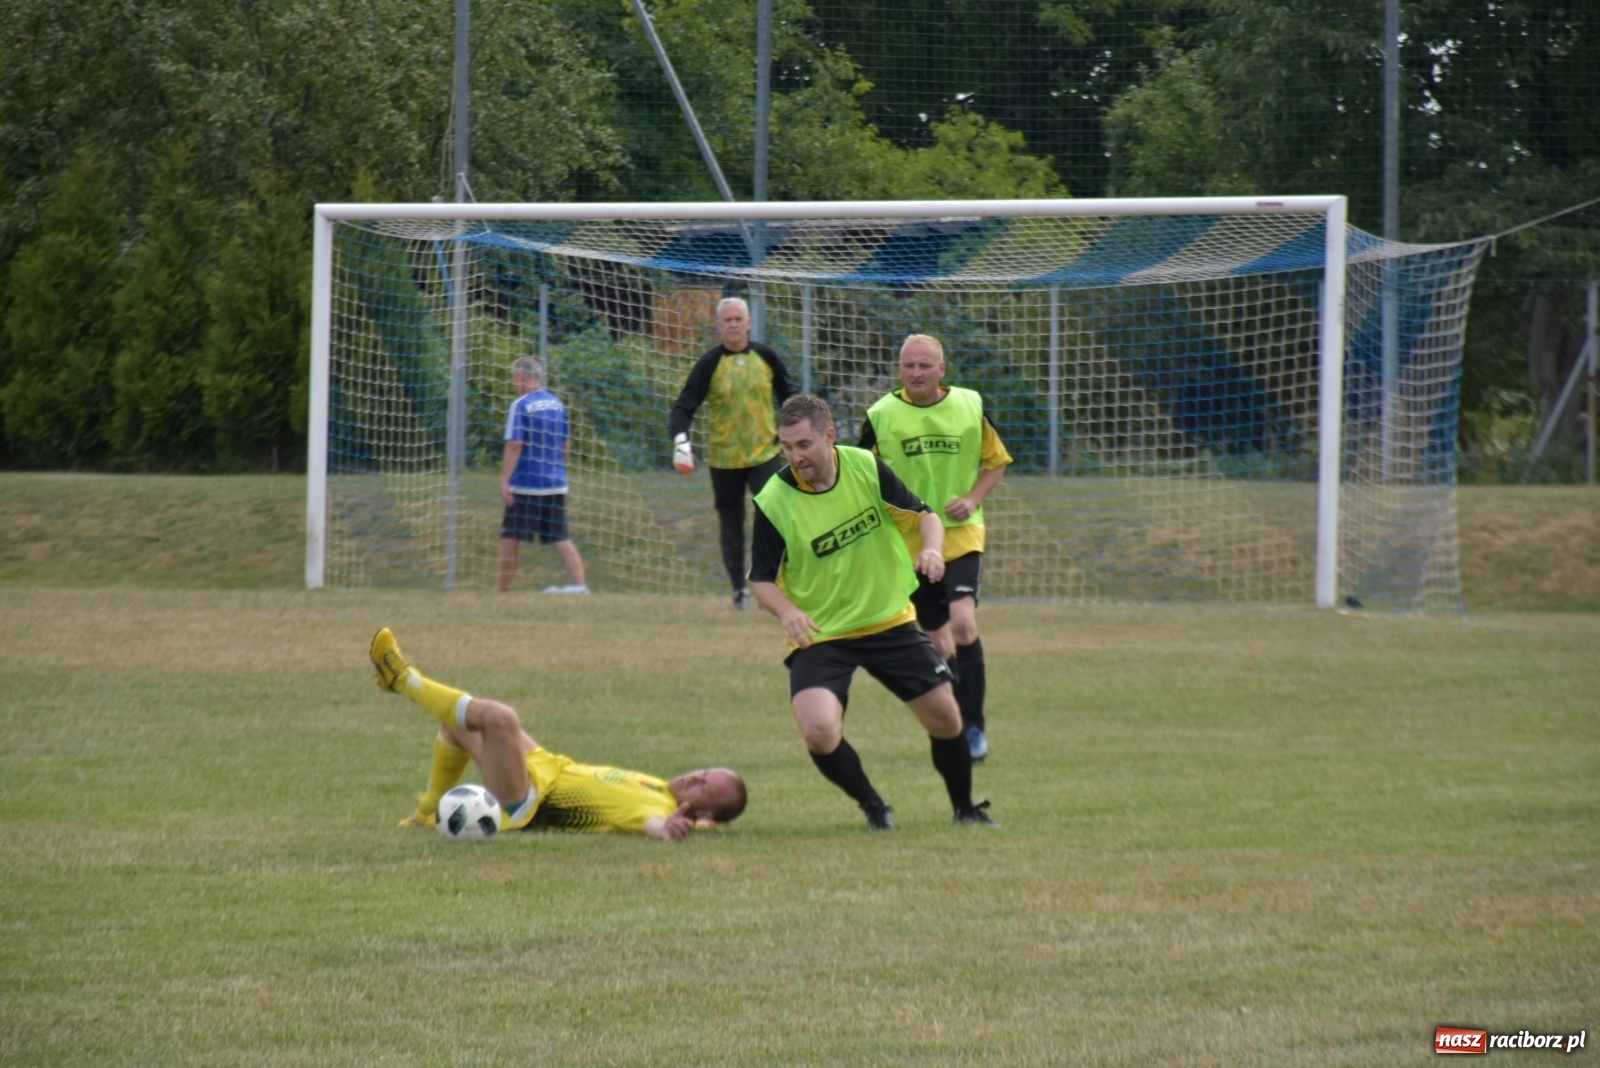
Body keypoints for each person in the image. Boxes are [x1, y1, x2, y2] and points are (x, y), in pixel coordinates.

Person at [748, 394, 997, 831]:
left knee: (946, 716)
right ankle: (874, 807)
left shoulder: (864, 466)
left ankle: (965, 810)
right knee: (819, 730)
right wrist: (787, 612)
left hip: (888, 621)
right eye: (786, 447)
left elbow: (925, 516)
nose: (794, 456)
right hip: (822, 634)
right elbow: (762, 578)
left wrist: (935, 550)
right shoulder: (773, 499)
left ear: (829, 436)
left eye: (803, 444)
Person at [371, 628, 747, 840]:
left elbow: (653, 826)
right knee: (457, 722)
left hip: (529, 803)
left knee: (500, 718)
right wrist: (708, 820)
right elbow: (712, 820)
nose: (695, 776)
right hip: (544, 767)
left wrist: (668, 829)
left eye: (703, 788)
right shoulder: (661, 787)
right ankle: (425, 815)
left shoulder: (657, 809)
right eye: (704, 772)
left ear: (698, 810)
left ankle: (403, 679)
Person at [860, 334, 1013, 762]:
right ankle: (959, 723)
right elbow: (857, 474)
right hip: (907, 543)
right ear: (900, 368)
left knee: (963, 623)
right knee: (939, 642)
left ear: (942, 369)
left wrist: (972, 499)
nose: (917, 373)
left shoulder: (969, 406)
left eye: (925, 365)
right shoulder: (881, 415)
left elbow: (996, 461)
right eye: (909, 365)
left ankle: (976, 728)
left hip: (960, 535)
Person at [668, 296, 795, 609]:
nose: (734, 324)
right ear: (719, 326)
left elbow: (790, 398)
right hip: (725, 461)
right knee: (731, 524)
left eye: (739, 319)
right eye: (728, 320)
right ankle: (739, 589)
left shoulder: (766, 357)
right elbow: (684, 406)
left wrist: (800, 435)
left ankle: (785, 582)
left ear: (749, 323)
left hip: (765, 454)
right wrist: (680, 440)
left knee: (779, 516)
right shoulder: (710, 364)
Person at [499, 356, 588, 594]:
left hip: (527, 483)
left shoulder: (521, 405)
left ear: (522, 377)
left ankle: (502, 592)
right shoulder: (557, 404)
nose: (514, 384)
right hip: (556, 482)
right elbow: (565, 445)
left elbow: (515, 444)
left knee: (510, 536)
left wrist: (505, 480)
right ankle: (580, 586)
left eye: (514, 379)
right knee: (561, 536)